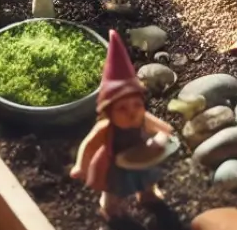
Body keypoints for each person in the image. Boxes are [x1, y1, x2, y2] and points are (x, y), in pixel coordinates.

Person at [70, 30, 176, 219]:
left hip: (142, 157)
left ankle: (147, 194)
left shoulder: (142, 118)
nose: (132, 112)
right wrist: (81, 165)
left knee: (147, 179)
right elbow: (89, 145)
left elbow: (161, 127)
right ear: (108, 111)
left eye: (137, 104)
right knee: (113, 190)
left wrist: (166, 132)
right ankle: (110, 207)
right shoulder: (105, 128)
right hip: (115, 166)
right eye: (122, 109)